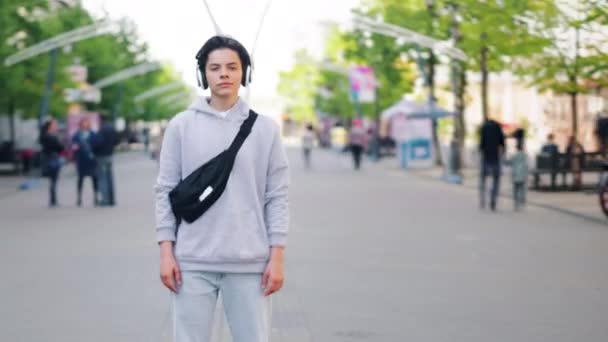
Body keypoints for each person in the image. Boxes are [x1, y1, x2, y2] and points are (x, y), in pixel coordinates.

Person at [154, 35, 289, 342]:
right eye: (215, 68)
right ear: (204, 75)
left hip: (249, 262)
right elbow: (165, 190)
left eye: (232, 67)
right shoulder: (181, 125)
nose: (224, 74)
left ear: (245, 73)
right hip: (191, 261)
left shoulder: (265, 129)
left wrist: (276, 257)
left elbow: (277, 197)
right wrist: (166, 251)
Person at [479, 118, 505, 211]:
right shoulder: (498, 127)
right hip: (495, 158)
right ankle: (493, 201)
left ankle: (482, 200)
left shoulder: (483, 128)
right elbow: (502, 143)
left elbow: (481, 144)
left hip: (485, 157)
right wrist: (502, 154)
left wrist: (481, 152)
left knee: (483, 180)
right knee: (496, 180)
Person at [92, 114, 119, 206]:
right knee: (110, 178)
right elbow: (117, 140)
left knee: (102, 178)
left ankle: (105, 200)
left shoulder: (101, 129)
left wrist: (94, 148)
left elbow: (98, 143)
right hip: (109, 155)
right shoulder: (111, 128)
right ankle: (111, 200)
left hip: (101, 156)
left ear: (100, 119)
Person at [72, 118, 98, 207]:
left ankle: (96, 196)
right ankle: (79, 197)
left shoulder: (93, 134)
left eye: (87, 123)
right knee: (80, 179)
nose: (85, 125)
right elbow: (73, 146)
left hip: (91, 160)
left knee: (94, 178)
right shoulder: (77, 135)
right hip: (81, 160)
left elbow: (97, 145)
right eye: (83, 123)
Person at [39, 118, 65, 207]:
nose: (56, 126)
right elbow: (61, 147)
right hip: (53, 159)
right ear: (50, 126)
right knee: (54, 180)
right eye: (54, 125)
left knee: (52, 181)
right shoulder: (51, 137)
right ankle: (53, 200)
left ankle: (53, 200)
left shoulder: (44, 136)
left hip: (47, 158)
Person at [510, 140, 528, 211]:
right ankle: (522, 199)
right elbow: (526, 166)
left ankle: (516, 204)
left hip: (515, 175)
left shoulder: (514, 156)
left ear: (516, 148)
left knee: (515, 190)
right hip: (522, 175)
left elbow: (511, 165)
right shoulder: (525, 156)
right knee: (522, 189)